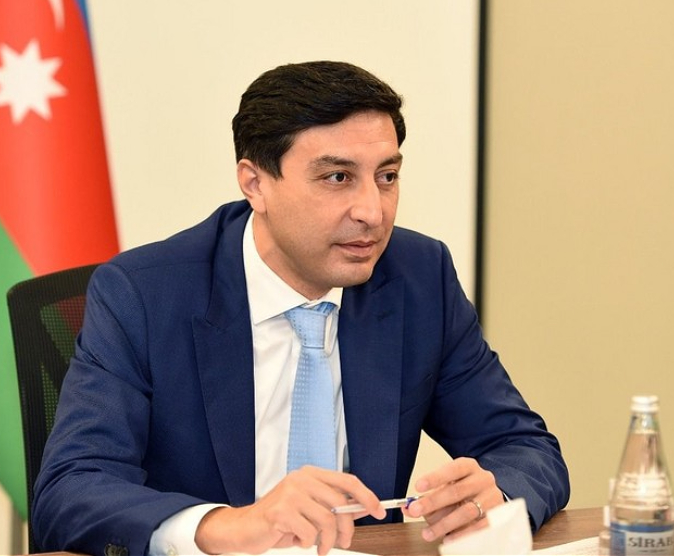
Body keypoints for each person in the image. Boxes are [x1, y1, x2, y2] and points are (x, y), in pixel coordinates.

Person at [33, 61, 570, 556]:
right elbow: (71, 488)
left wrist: (495, 492)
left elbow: (524, 448)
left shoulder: (418, 278)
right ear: (255, 184)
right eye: (337, 178)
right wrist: (226, 526)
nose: (372, 211)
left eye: (386, 176)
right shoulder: (145, 294)